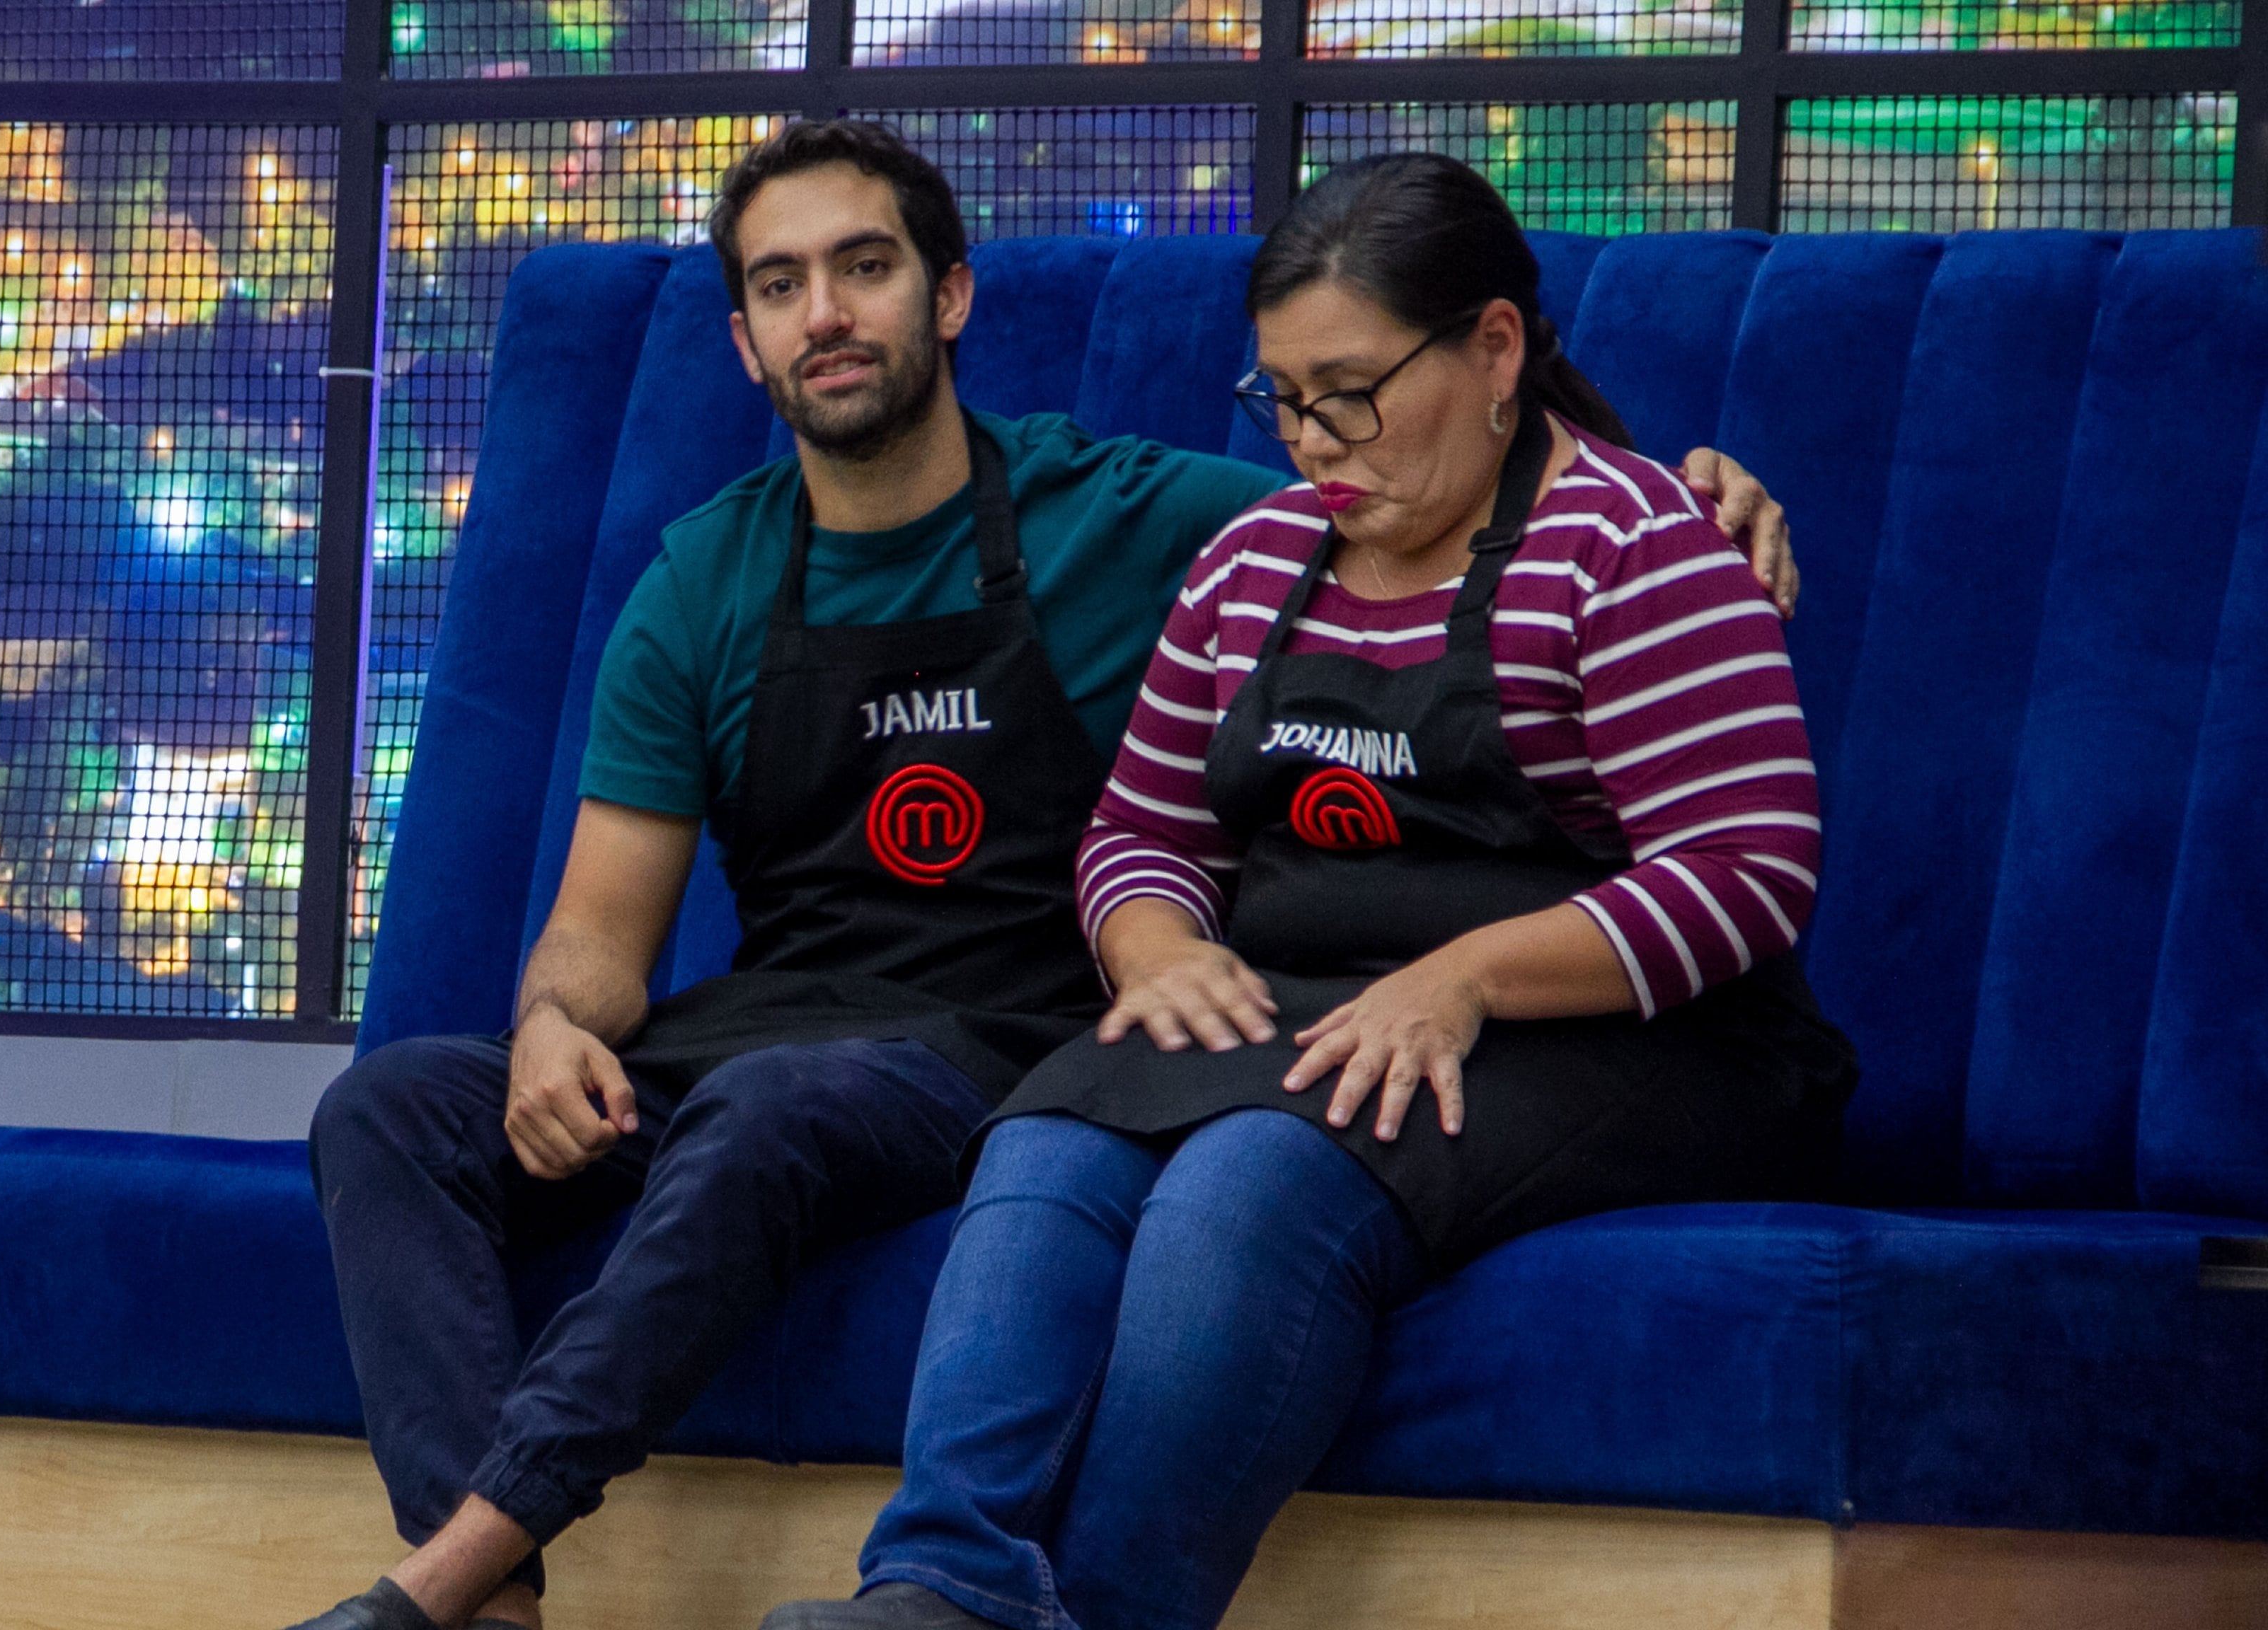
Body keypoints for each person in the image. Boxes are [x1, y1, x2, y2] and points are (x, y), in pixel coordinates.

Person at [292, 127, 1798, 1630]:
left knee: (1150, 1161)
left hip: (1000, 1038)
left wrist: (1686, 485)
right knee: (402, 1109)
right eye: (778, 283)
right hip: (866, 1022)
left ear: (948, 297)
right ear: (739, 340)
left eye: (863, 267)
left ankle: (472, 1579)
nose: (1317, 441)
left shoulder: (1146, 515)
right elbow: (1135, 829)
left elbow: (1499, 486)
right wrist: (558, 1025)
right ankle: (660, 1597)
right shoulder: (738, 578)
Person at [762, 152, 1859, 1630]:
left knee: (1250, 1176)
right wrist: (1148, 949)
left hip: (1640, 1036)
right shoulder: (1254, 562)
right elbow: (1138, 837)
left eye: (1349, 391)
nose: (1312, 444)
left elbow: (1743, 873)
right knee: (1047, 1141)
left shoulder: (1636, 550)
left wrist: (1463, 980)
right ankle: (940, 1591)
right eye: (1278, 399)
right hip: (1328, 1011)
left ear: (1490, 349)